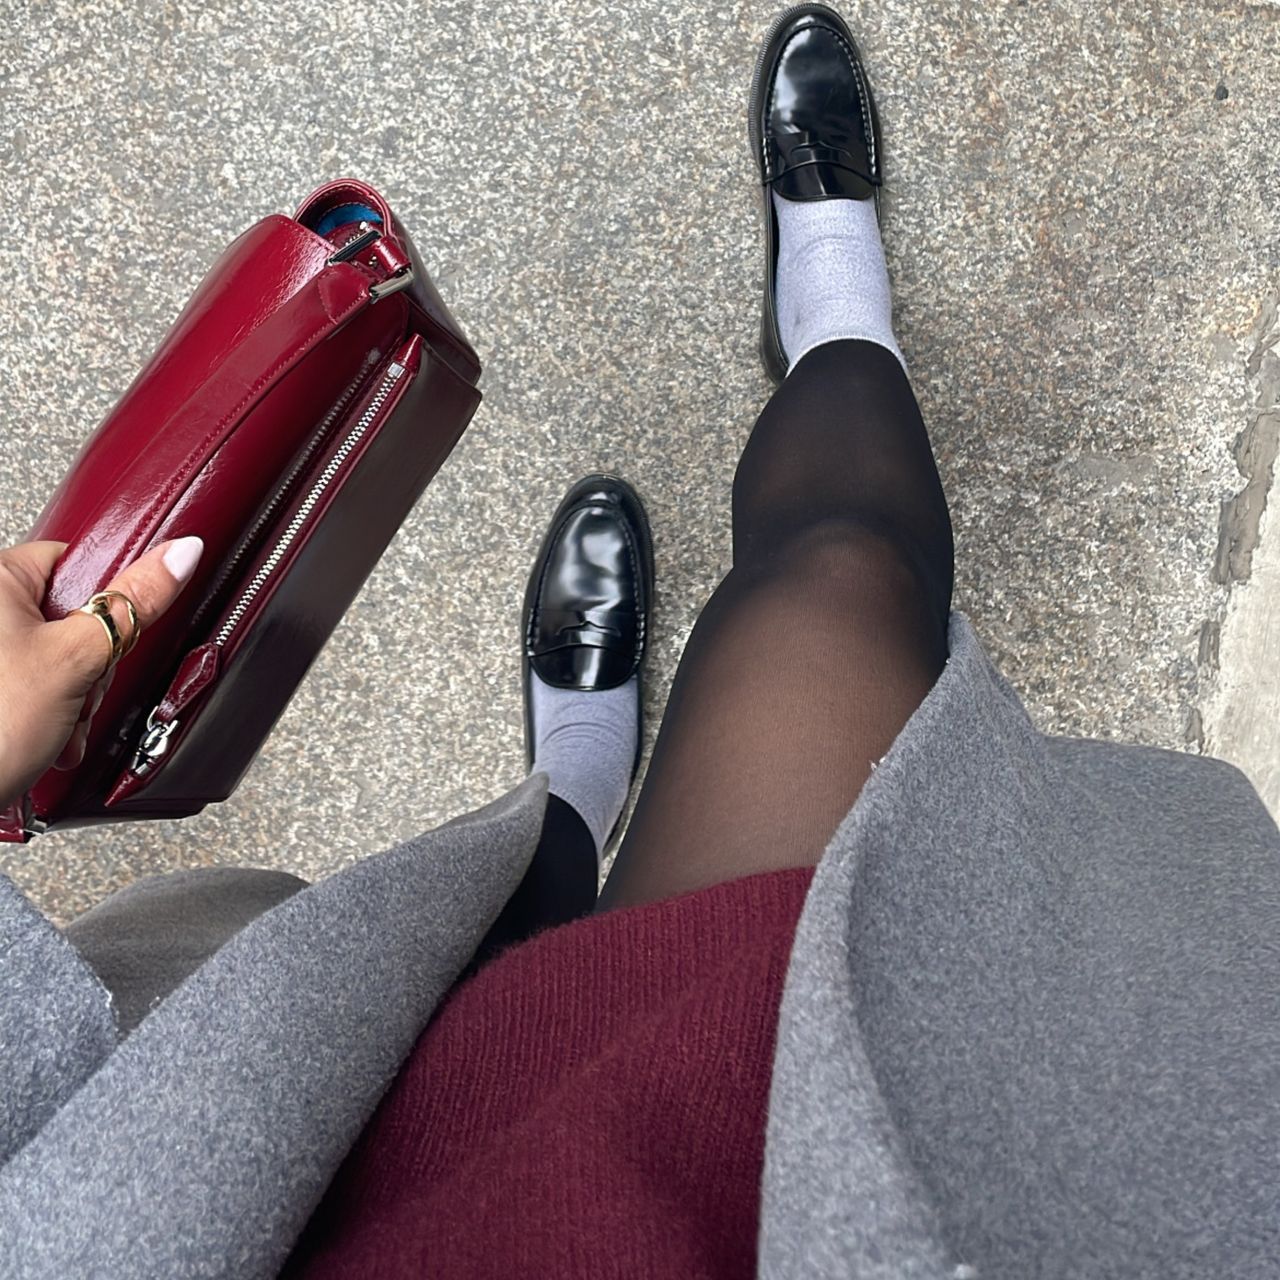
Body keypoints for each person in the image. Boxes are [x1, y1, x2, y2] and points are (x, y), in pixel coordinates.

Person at [2, 6, 1279, 1278]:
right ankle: (831, 309)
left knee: (484, 936)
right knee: (839, 579)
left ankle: (576, 783)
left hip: (246, 1199)